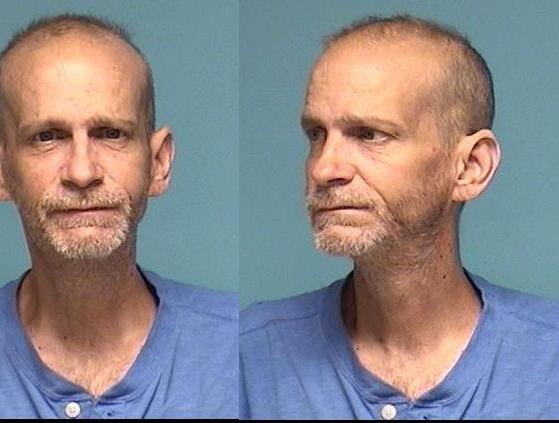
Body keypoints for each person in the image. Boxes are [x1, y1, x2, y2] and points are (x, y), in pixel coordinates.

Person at [240, 15, 559, 419]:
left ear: (470, 168)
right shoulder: (248, 357)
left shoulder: (548, 363)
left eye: (369, 134)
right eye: (317, 134)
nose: (323, 168)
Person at [0, 13, 237, 418]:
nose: (82, 172)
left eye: (110, 133)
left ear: (158, 162)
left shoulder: (235, 349)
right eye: (47, 137)